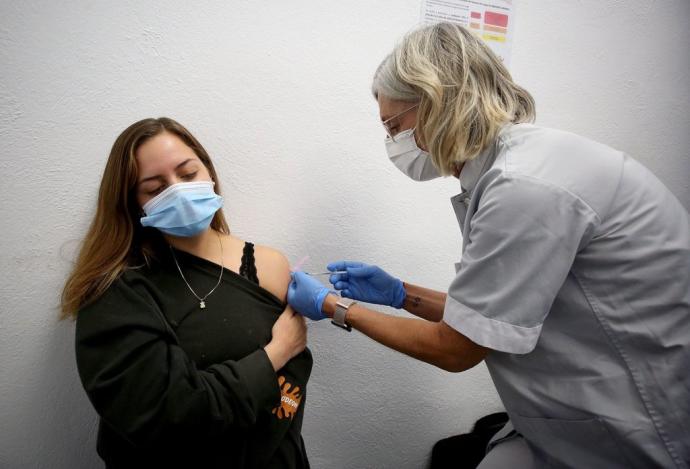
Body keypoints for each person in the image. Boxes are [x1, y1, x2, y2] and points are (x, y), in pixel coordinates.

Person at [287, 22, 690, 468]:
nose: (394, 144)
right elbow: (489, 318)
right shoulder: (514, 169)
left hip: (637, 418)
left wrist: (333, 306)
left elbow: (456, 348)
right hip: (569, 407)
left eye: (395, 126)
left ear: (438, 101)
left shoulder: (525, 187)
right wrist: (402, 294)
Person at [61, 117, 312, 468]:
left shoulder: (267, 264)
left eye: (188, 173)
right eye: (154, 187)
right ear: (134, 203)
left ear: (208, 171)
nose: (177, 190)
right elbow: (168, 414)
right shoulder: (117, 291)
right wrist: (276, 352)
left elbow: (291, 389)